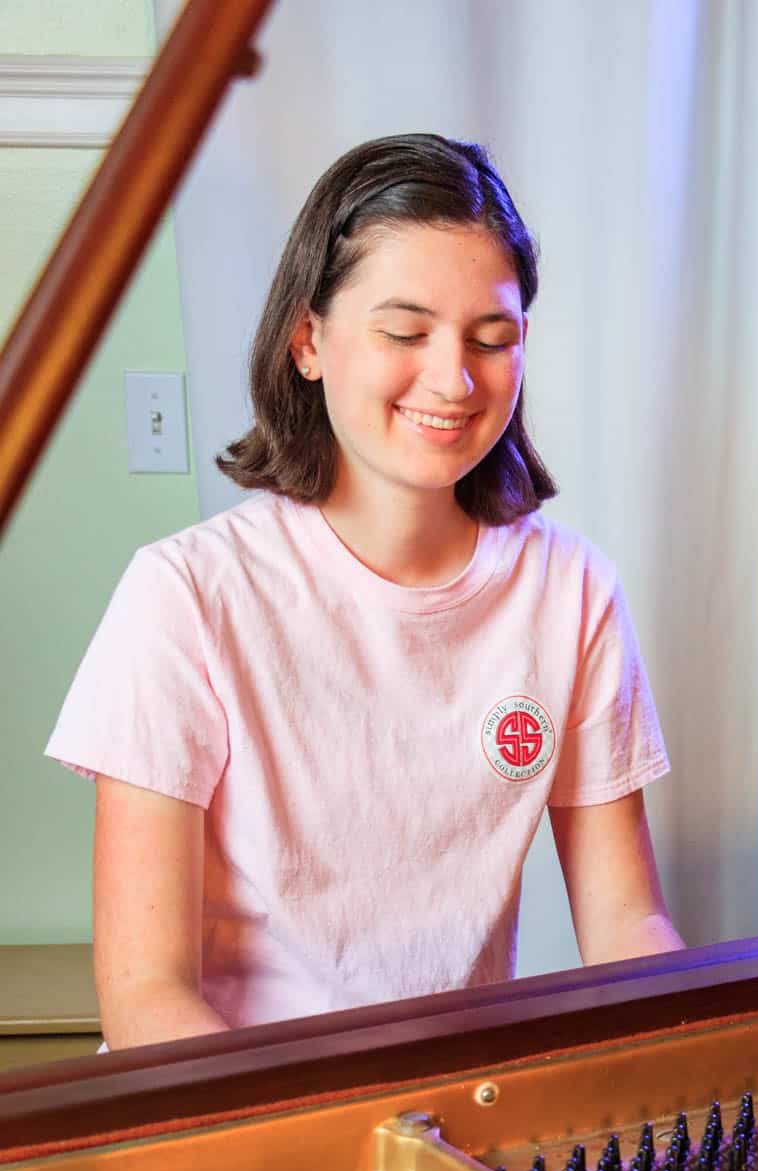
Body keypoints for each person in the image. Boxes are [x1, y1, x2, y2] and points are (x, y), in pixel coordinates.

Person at [46, 134, 682, 1051]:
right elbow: (146, 998)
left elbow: (627, 926)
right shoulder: (185, 593)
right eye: (405, 331)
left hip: (450, 1106)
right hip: (231, 1110)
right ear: (309, 341)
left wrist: (705, 1050)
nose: (453, 379)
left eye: (491, 338)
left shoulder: (571, 588)